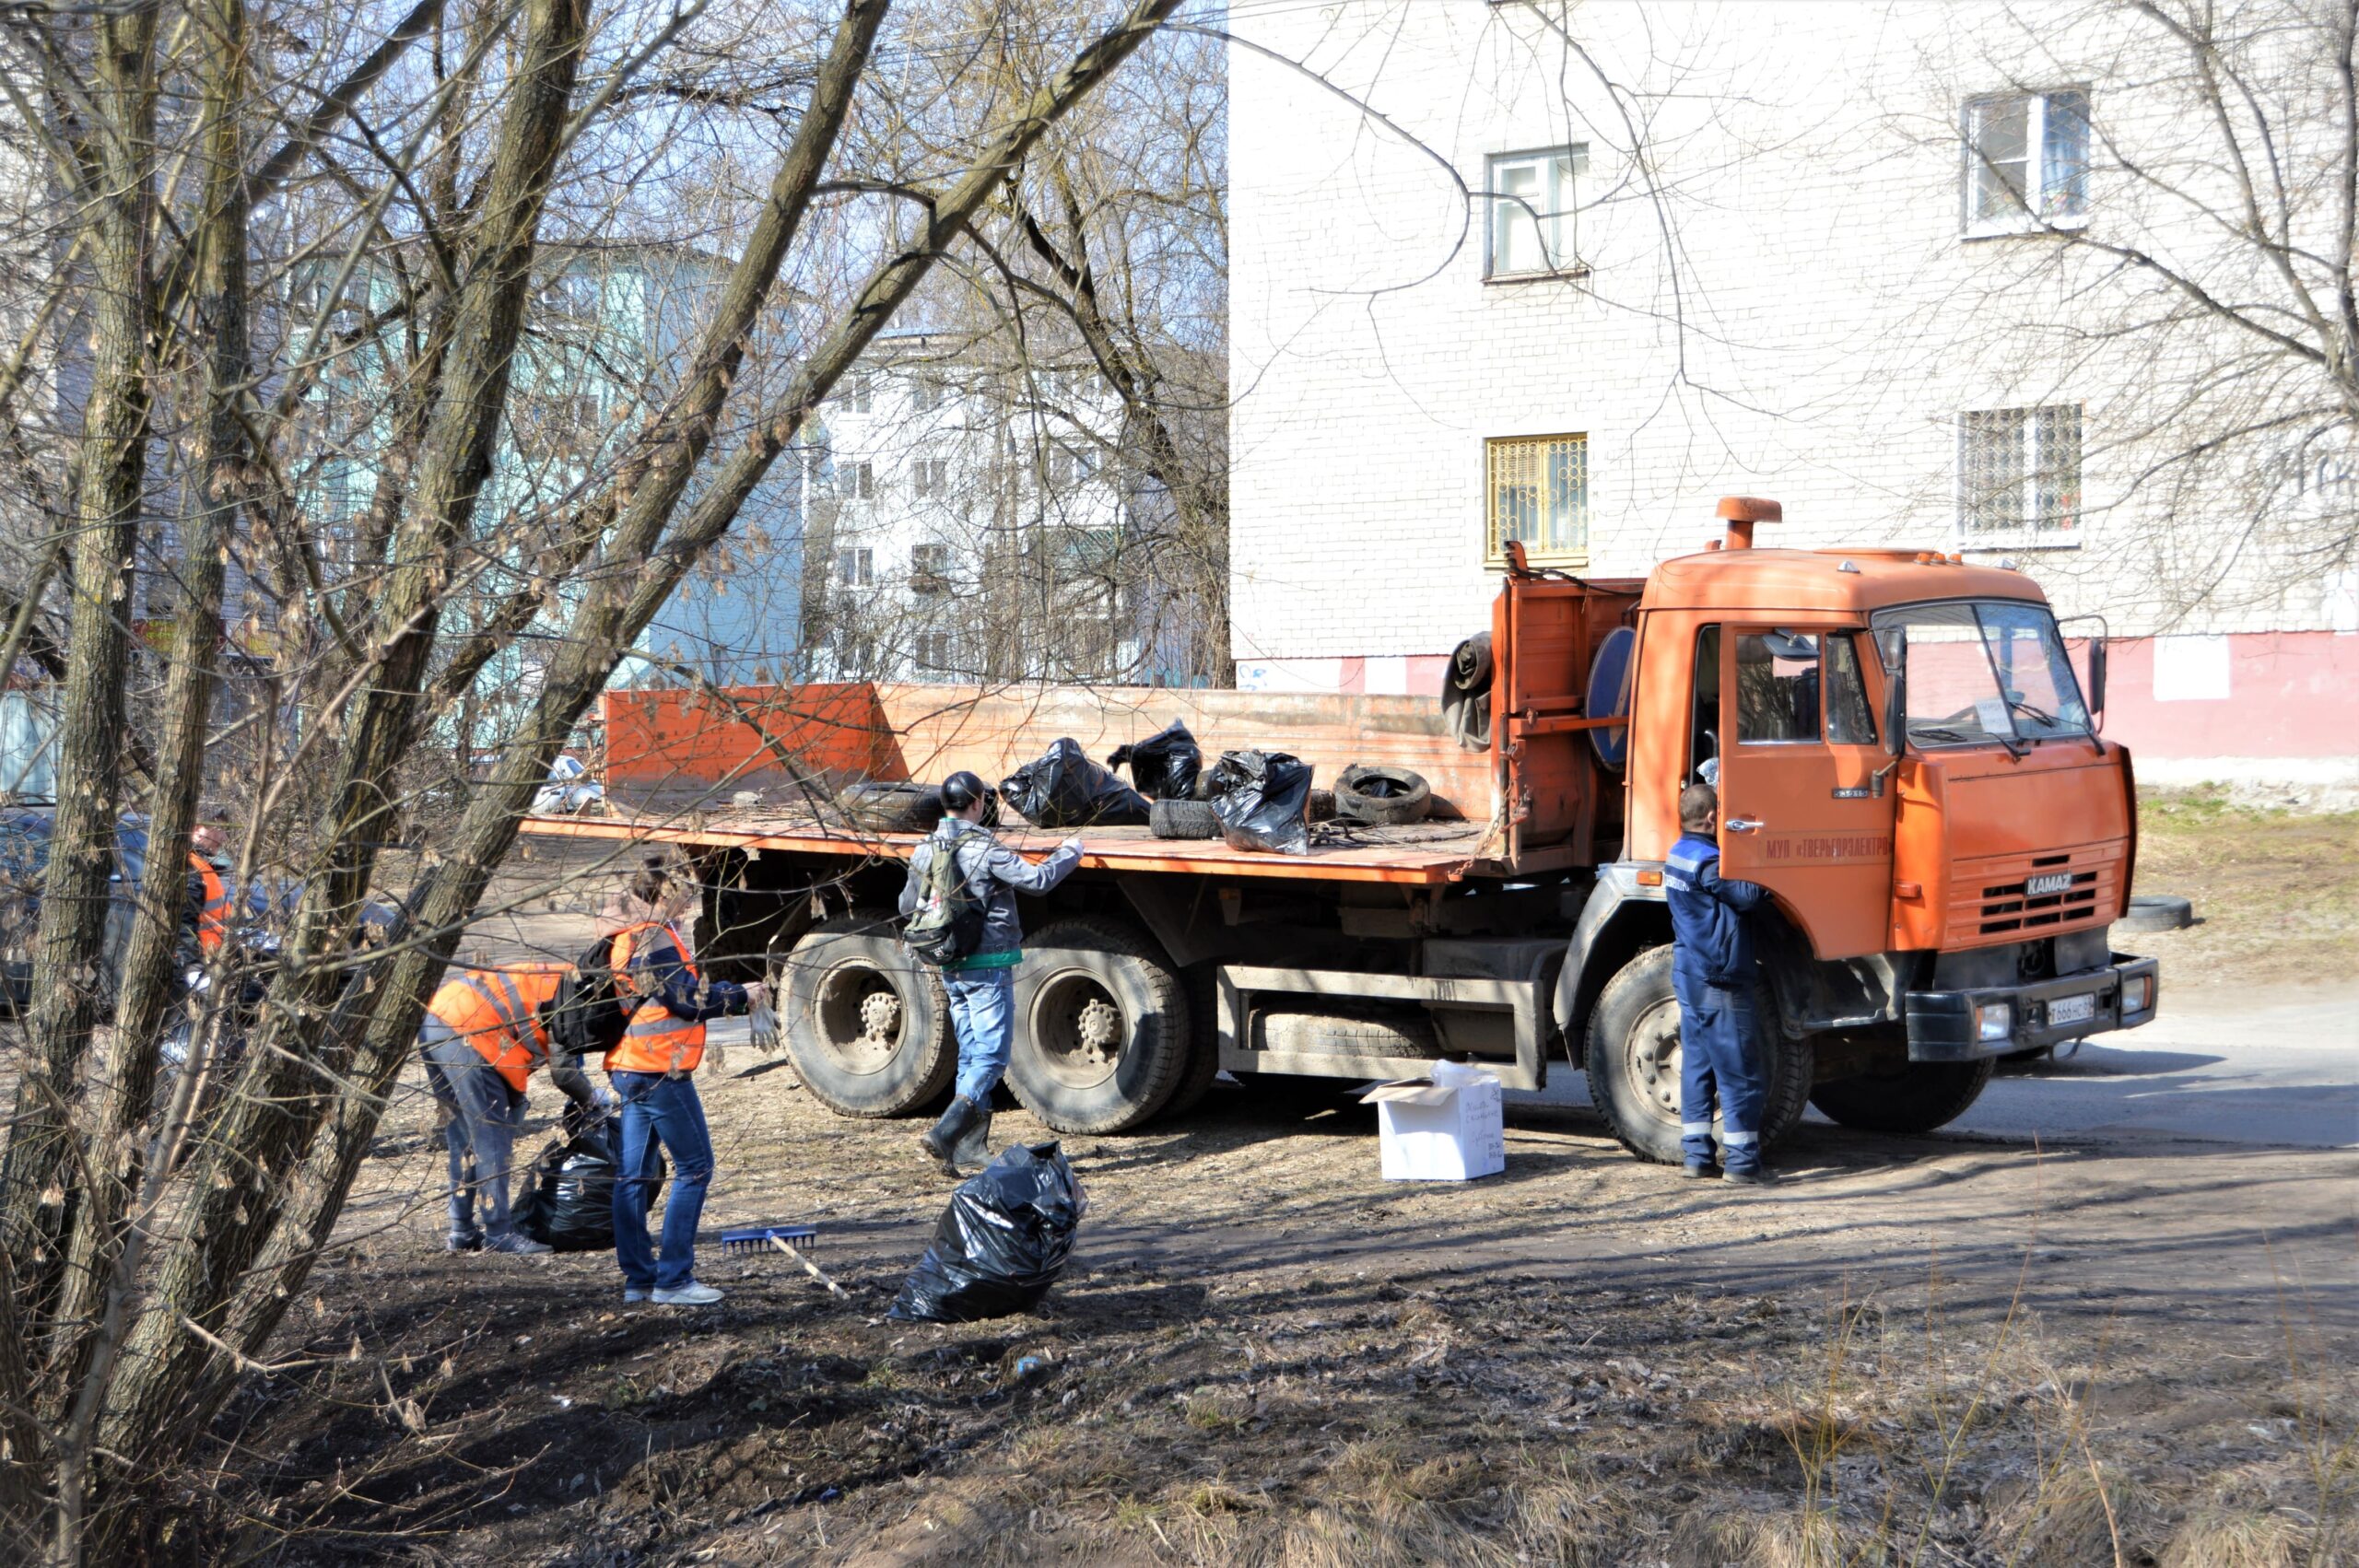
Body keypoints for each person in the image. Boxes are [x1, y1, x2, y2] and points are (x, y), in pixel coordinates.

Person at [898, 771, 1082, 1176]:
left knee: (971, 1052)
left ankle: (968, 1148)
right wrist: (1072, 851)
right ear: (978, 803)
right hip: (990, 966)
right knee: (994, 1056)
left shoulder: (924, 848)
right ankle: (947, 1131)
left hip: (949, 962)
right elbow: (1038, 880)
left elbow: (907, 904)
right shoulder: (985, 848)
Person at [604, 857, 769, 1306]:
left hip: (633, 1066)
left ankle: (639, 1278)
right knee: (695, 1167)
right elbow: (685, 1001)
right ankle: (673, 1279)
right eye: (685, 888)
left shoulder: (633, 933)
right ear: (662, 891)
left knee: (633, 1176)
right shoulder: (653, 937)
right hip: (662, 1070)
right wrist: (739, 995)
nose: (692, 895)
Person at [421, 961, 597, 1254]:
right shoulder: (576, 994)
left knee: (463, 1138)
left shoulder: (563, 977)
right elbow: (565, 1070)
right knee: (491, 1140)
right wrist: (591, 1098)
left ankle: (462, 1230)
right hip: (472, 1028)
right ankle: (499, 1233)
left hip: (438, 1018)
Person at [1663, 781, 1776, 1185]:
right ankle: (1743, 1163)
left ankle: (1696, 1157)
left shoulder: (1678, 853)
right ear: (1712, 818)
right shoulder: (1709, 861)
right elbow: (1748, 896)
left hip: (1690, 972)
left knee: (1698, 1065)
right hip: (1719, 978)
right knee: (1740, 1070)